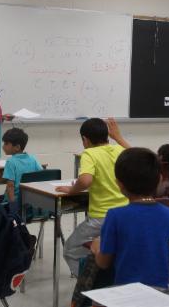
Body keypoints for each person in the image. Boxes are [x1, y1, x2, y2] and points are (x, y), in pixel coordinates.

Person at [90, 148, 169, 287]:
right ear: (159, 180)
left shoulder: (115, 216)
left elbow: (103, 262)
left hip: (129, 294)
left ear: (119, 184)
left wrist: (96, 247)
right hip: (164, 294)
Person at [56, 118, 128, 276]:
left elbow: (85, 180)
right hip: (125, 215)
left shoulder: (89, 153)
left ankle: (86, 287)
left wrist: (71, 190)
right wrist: (119, 138)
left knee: (70, 249)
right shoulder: (118, 149)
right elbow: (139, 157)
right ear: (108, 135)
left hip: (101, 218)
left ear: (85, 139)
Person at [1, 128, 42, 206]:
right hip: (30, 201)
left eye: (6, 144)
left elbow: (10, 186)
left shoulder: (11, 162)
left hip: (15, 201)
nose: (3, 147)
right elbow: (41, 175)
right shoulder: (33, 159)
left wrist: (12, 205)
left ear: (17, 147)